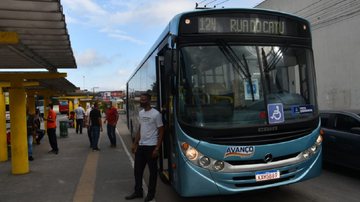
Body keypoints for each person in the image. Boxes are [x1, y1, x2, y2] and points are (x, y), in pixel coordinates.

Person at [125, 93, 164, 202]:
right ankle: (138, 191)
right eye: (141, 99)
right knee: (137, 170)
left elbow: (161, 131)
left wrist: (157, 148)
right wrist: (135, 143)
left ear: (149, 101)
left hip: (151, 147)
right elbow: (140, 129)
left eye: (144, 100)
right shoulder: (141, 113)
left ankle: (151, 194)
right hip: (141, 146)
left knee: (152, 172)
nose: (141, 101)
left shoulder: (156, 114)